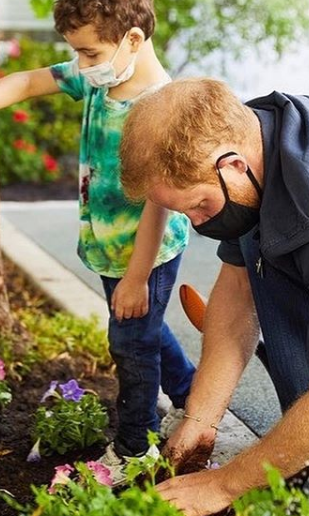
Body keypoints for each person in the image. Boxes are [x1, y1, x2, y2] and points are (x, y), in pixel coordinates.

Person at [0, 0, 195, 484]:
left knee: (130, 342)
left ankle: (135, 448)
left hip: (145, 252)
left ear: (131, 39)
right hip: (110, 247)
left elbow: (159, 203)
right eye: (77, 54)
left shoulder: (160, 108)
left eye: (88, 53)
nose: (81, 64)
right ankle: (191, 397)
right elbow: (27, 81)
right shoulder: (99, 73)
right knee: (140, 330)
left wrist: (136, 276)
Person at [120, 77, 309, 515]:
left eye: (200, 207)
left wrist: (225, 484)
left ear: (234, 165)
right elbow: (238, 289)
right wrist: (200, 419)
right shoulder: (253, 146)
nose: (198, 223)